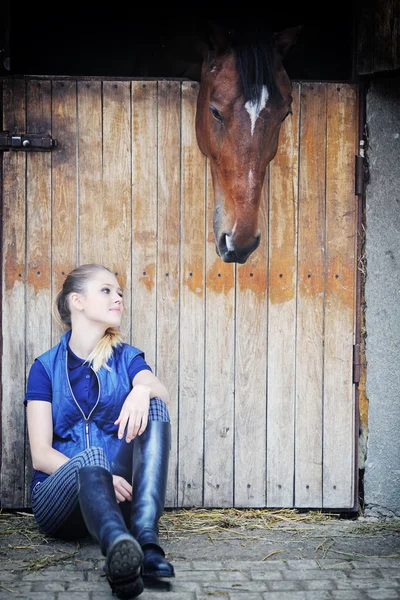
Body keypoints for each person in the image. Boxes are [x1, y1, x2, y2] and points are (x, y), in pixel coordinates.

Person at [25, 263, 174, 599]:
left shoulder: (126, 357)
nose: (118, 297)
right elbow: (41, 454)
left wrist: (141, 389)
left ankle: (144, 542)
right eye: (106, 290)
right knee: (90, 456)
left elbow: (159, 390)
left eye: (119, 292)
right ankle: (117, 546)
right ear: (77, 301)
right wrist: (99, 472)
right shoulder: (45, 368)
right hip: (59, 502)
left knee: (154, 404)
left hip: (120, 497)